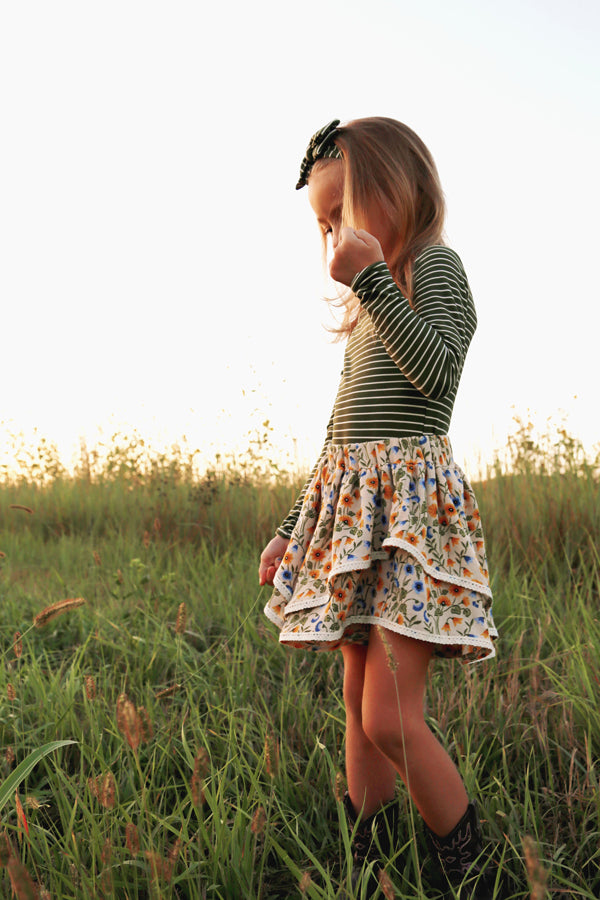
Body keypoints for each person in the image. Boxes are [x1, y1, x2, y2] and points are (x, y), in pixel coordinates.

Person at [259, 118, 501, 899]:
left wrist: (372, 280)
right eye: (324, 226)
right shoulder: (368, 309)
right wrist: (293, 527)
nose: (333, 236)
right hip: (356, 517)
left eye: (345, 215)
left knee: (392, 715)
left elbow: (437, 376)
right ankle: (368, 853)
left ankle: (473, 866)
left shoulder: (434, 267)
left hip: (411, 523)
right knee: (356, 704)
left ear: (398, 192)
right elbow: (338, 436)